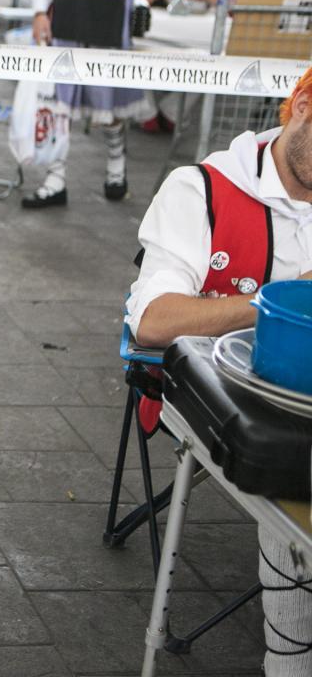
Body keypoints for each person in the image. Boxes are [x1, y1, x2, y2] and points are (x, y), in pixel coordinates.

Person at [127, 65, 312, 677]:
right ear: (302, 104)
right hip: (225, 392)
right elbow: (154, 322)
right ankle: (290, 661)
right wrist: (281, 302)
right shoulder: (201, 188)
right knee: (297, 461)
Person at [22, 0, 167, 208]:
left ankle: (116, 166)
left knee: (107, 92)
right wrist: (40, 9)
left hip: (110, 5)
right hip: (67, 4)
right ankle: (55, 178)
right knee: (60, 96)